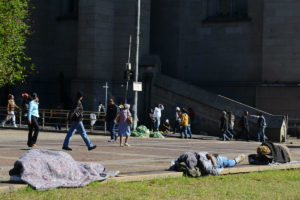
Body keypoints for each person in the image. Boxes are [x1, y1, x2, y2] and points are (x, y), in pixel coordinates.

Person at [172, 152, 245, 176]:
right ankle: (236, 160)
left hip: (218, 159)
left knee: (230, 163)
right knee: (229, 163)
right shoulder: (203, 165)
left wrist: (210, 156)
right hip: (217, 160)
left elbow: (216, 171)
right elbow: (216, 171)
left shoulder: (189, 157)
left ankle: (237, 160)